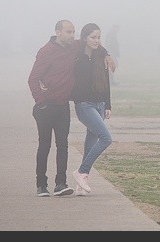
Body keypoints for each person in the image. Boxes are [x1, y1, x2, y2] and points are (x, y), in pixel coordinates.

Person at [27, 20, 115, 197]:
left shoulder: (74, 47)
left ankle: (61, 184)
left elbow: (93, 42)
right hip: (46, 106)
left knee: (63, 145)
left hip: (63, 105)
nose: (72, 35)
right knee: (44, 145)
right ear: (58, 32)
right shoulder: (46, 51)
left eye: (73, 32)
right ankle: (41, 185)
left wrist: (107, 53)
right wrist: (40, 101)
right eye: (68, 32)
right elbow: (32, 78)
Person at [70, 23, 113, 196]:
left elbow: (106, 81)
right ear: (85, 38)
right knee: (106, 138)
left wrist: (108, 105)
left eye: (98, 37)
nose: (96, 40)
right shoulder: (77, 55)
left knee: (90, 143)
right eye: (93, 37)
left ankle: (81, 184)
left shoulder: (101, 55)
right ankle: (81, 171)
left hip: (100, 104)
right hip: (84, 105)